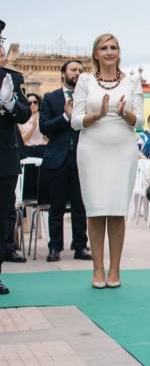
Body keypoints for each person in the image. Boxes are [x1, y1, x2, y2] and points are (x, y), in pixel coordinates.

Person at [72, 35, 143, 288]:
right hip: (92, 148)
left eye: (114, 47)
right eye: (104, 48)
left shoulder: (132, 80)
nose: (110, 52)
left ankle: (115, 270)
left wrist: (125, 113)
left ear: (119, 53)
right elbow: (75, 120)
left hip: (123, 148)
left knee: (116, 209)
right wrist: (98, 114)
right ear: (96, 54)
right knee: (95, 209)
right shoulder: (85, 80)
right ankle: (97, 269)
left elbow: (141, 121)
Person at [40, 60, 91, 263]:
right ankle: (55, 247)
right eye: (73, 69)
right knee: (57, 206)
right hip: (57, 159)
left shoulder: (86, 99)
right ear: (63, 73)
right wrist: (64, 116)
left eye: (80, 70)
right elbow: (44, 126)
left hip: (81, 159)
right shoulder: (50, 98)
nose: (77, 73)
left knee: (80, 206)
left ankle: (80, 246)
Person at [0, 20, 32, 294]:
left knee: (2, 216)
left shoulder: (12, 78)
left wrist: (9, 102)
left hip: (3, 158)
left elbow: (24, 114)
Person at [20, 93, 47, 158]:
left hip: (42, 149)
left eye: (35, 102)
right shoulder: (22, 118)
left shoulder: (44, 117)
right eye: (30, 103)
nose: (33, 104)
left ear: (39, 103)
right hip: (27, 150)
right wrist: (33, 128)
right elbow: (22, 140)